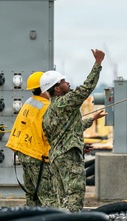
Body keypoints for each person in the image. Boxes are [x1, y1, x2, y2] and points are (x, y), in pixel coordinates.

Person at [41, 49, 107, 212]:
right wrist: (97, 63)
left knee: (61, 199)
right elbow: (85, 89)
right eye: (63, 81)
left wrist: (91, 119)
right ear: (56, 89)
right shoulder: (65, 102)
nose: (68, 83)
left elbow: (68, 131)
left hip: (57, 158)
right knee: (73, 198)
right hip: (69, 159)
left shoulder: (49, 112)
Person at [6, 71, 53, 206]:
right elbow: (51, 133)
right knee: (47, 196)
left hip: (24, 152)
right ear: (45, 89)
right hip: (37, 156)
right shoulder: (46, 107)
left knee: (32, 194)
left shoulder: (30, 102)